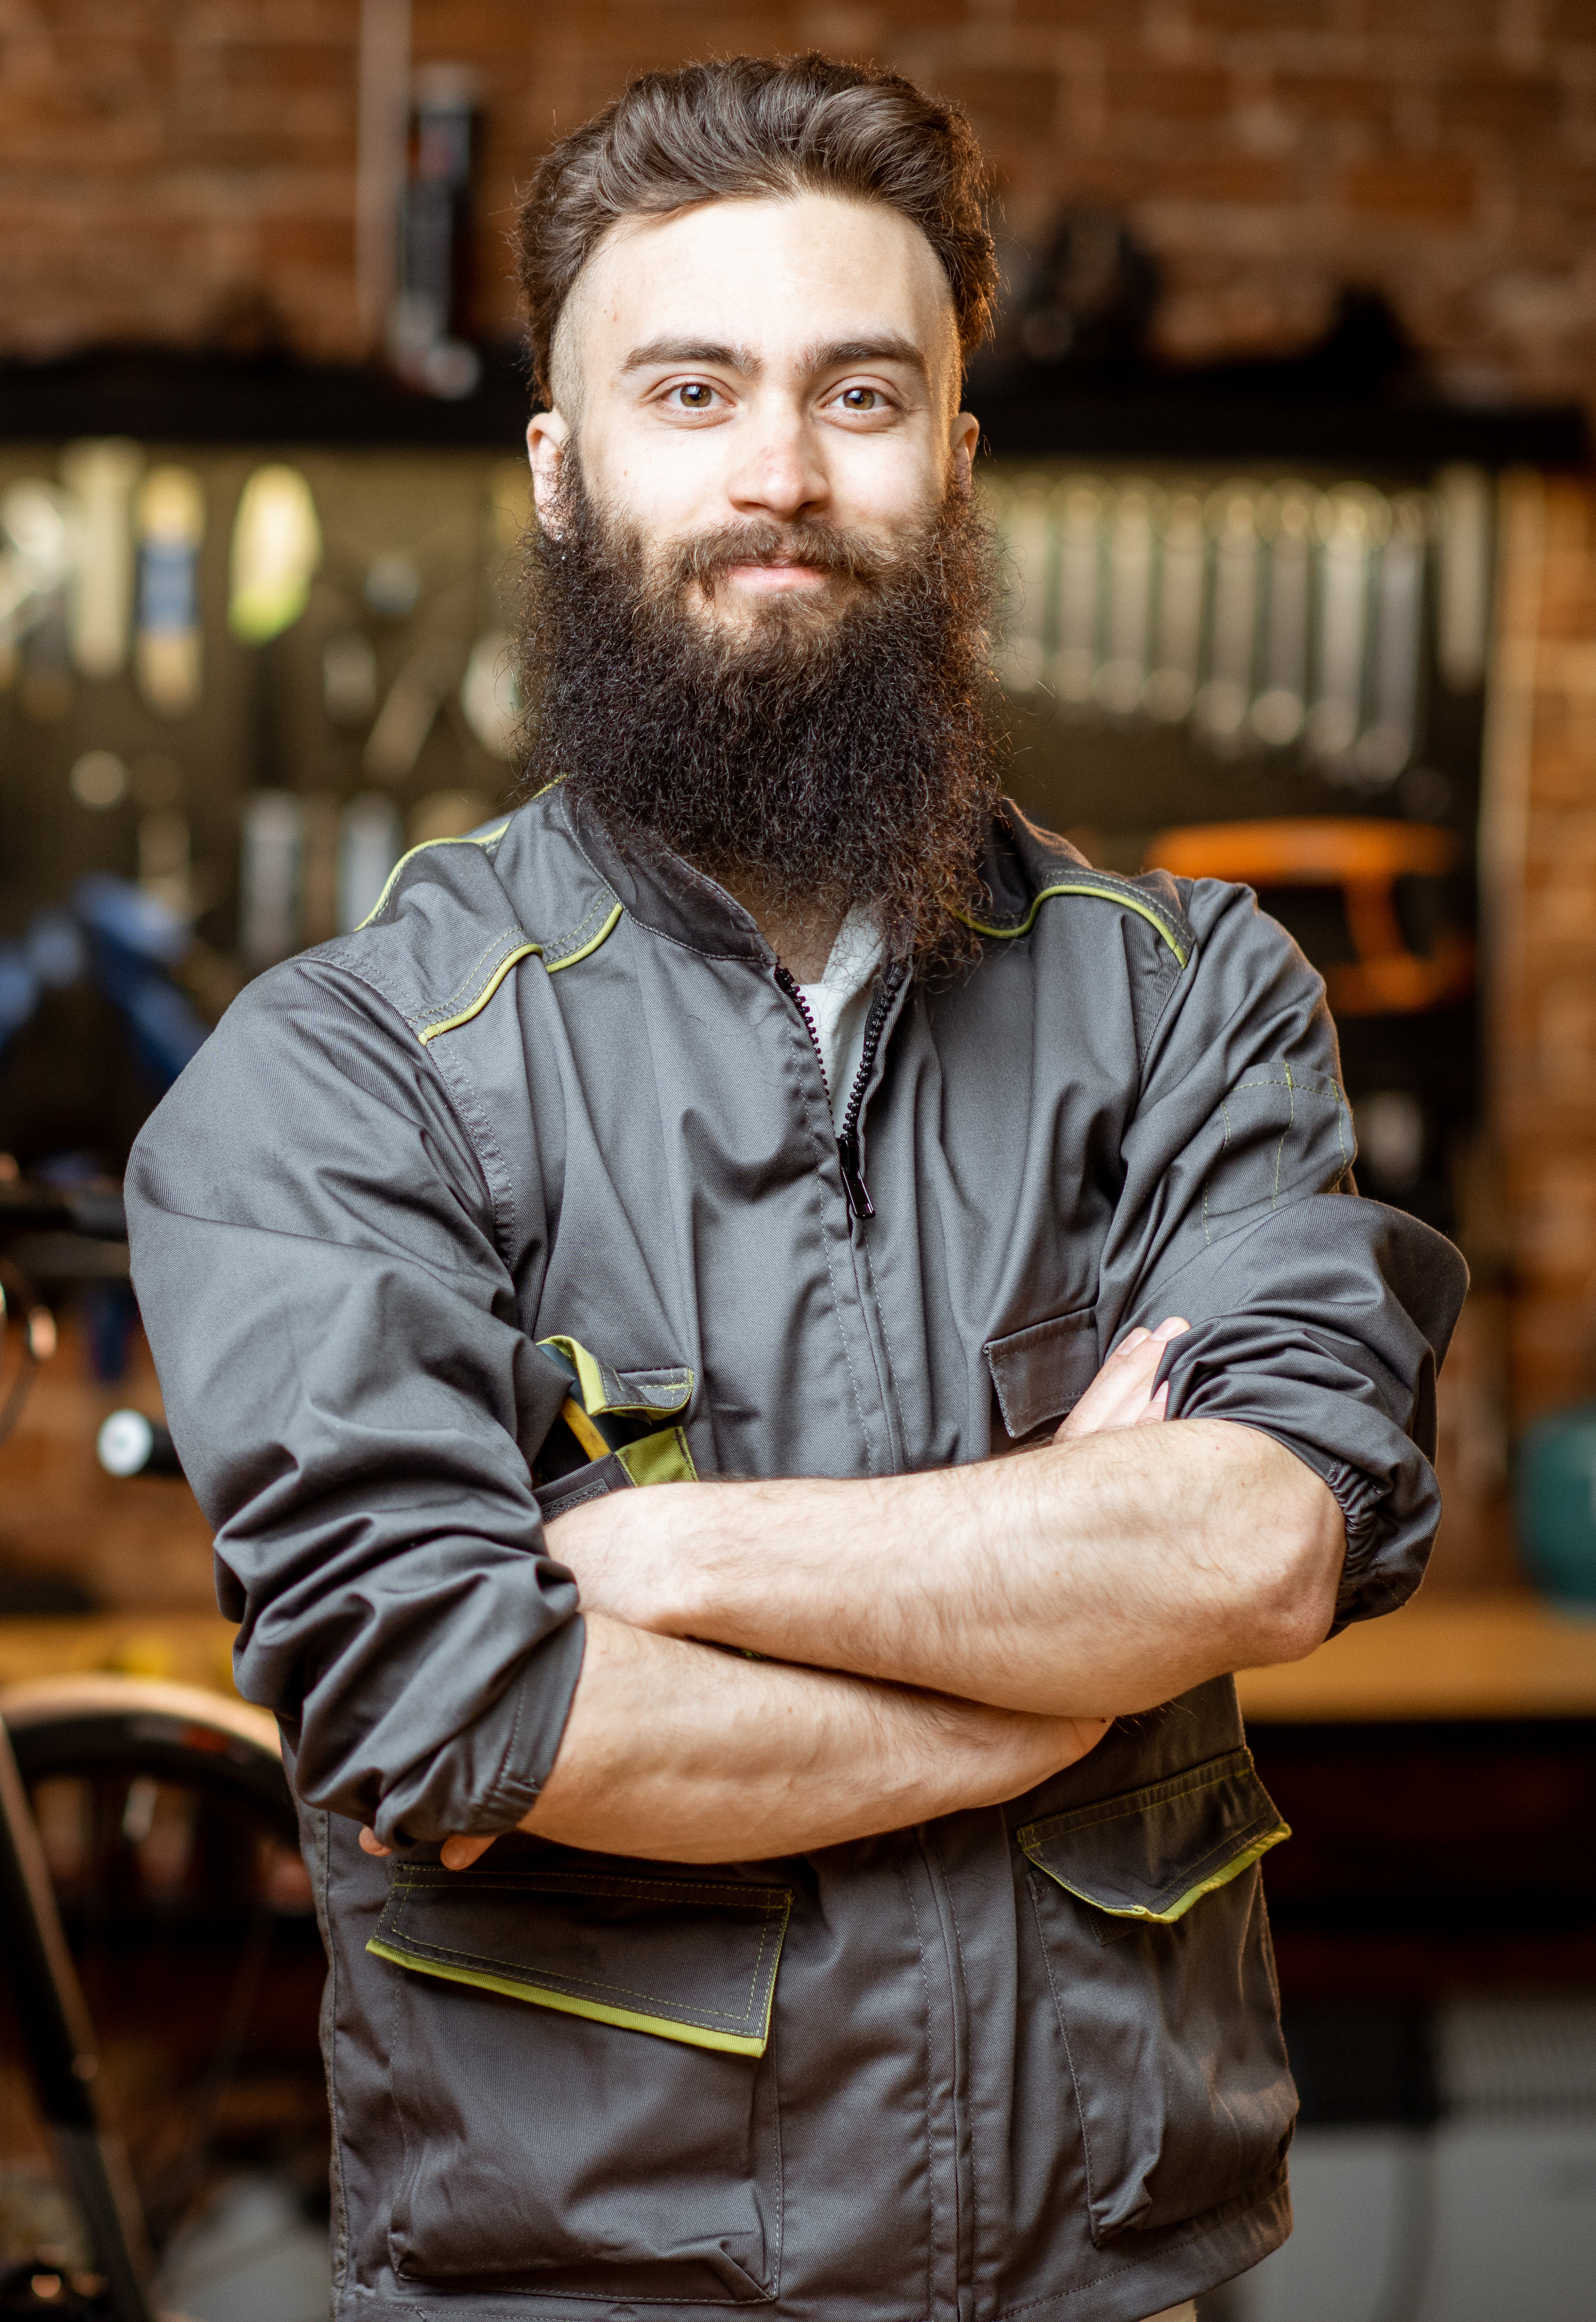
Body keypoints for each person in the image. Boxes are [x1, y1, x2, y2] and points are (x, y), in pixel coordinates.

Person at [125, 52, 1467, 2322]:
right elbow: (456, 1702)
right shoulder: (346, 1075)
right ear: (560, 475)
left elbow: (1261, 1526)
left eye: (860, 394)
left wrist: (658, 1550)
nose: (778, 474)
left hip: (1105, 2291)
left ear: (952, 461)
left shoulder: (1189, 1003)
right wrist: (1055, 1679)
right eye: (689, 391)